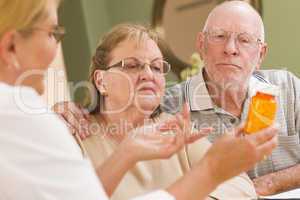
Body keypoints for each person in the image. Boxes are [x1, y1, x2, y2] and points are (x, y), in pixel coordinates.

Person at [0, 0, 278, 200]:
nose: (149, 75)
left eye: (157, 67)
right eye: (132, 65)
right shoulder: (74, 135)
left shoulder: (174, 127)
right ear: (100, 80)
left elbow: (242, 188)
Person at [162, 0, 300, 196]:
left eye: (244, 40)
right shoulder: (171, 106)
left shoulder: (289, 88)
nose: (230, 49)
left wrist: (272, 182)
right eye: (219, 36)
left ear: (261, 54)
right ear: (201, 45)